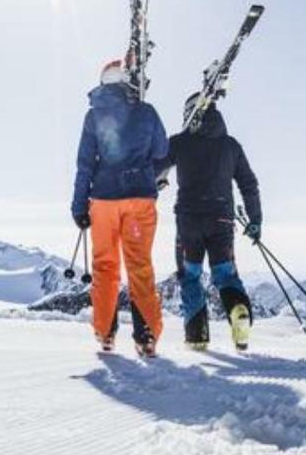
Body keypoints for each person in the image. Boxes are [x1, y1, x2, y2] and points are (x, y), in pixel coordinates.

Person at [71, 59, 169, 356]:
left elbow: (85, 164)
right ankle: (146, 336)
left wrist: (79, 205)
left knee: (105, 265)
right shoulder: (146, 112)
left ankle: (105, 333)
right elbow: (162, 150)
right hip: (139, 197)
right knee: (139, 265)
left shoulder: (93, 117)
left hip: (102, 200)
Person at [161, 93, 262, 351]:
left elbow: (153, 169)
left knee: (190, 276)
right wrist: (255, 219)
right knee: (226, 275)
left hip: (189, 222)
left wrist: (156, 181)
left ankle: (197, 337)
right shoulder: (231, 145)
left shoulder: (179, 142)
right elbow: (249, 184)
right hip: (222, 220)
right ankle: (238, 311)